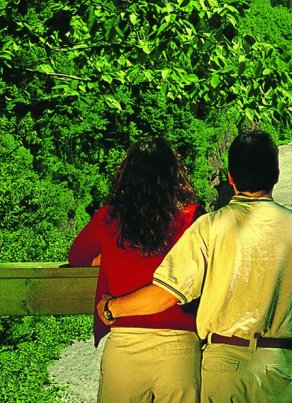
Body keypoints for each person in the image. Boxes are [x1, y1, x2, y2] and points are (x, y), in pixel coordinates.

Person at [97, 129, 292, 403]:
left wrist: (111, 308)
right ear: (276, 174)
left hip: (224, 363)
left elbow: (166, 293)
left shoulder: (209, 227)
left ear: (230, 177)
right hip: (278, 363)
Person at [69, 137, 204, 403]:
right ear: (174, 175)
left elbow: (77, 256)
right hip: (181, 346)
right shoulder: (192, 217)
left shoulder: (109, 217)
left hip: (126, 343)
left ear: (127, 175)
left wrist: (107, 257)